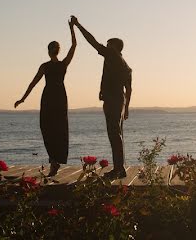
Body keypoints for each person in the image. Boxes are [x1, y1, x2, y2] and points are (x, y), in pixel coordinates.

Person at [70, 15, 132, 179]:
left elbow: (92, 41)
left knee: (114, 134)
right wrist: (126, 107)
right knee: (117, 135)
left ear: (114, 47)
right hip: (119, 99)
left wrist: (78, 25)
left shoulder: (112, 55)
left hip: (113, 100)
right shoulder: (125, 64)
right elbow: (129, 88)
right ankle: (120, 168)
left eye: (108, 44)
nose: (105, 46)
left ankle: (119, 169)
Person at [14, 18, 77, 177]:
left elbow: (32, 84)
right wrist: (72, 28)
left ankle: (54, 161)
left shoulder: (46, 66)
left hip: (49, 97)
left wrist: (23, 99)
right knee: (58, 129)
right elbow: (74, 45)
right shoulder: (62, 65)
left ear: (49, 51)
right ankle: (55, 160)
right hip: (59, 97)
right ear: (57, 51)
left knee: (48, 128)